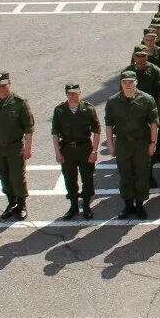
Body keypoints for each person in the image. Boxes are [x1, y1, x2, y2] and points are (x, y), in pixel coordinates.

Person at [0, 72, 34, 220]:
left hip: (15, 146)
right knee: (3, 175)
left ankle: (21, 204)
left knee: (17, 177)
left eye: (5, 85)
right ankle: (12, 202)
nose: (2, 88)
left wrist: (28, 148)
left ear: (10, 84)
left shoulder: (19, 103)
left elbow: (28, 128)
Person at [104, 71, 158, 219]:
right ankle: (128, 205)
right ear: (121, 84)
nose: (128, 85)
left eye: (130, 82)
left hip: (141, 143)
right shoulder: (113, 101)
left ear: (136, 82)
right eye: (124, 82)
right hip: (122, 143)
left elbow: (153, 122)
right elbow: (109, 124)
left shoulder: (147, 99)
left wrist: (153, 142)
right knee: (125, 175)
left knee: (142, 174)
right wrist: (110, 144)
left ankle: (140, 205)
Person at [52, 83, 101, 220]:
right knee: (69, 178)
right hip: (67, 150)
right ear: (66, 94)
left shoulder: (88, 109)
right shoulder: (60, 110)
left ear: (80, 92)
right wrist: (57, 152)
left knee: (87, 178)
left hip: (85, 148)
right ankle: (73, 206)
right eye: (69, 93)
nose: (72, 96)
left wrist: (95, 151)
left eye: (75, 93)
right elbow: (55, 133)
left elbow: (96, 131)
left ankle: (85, 205)